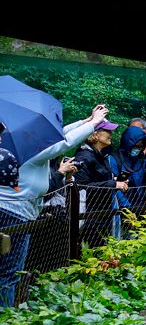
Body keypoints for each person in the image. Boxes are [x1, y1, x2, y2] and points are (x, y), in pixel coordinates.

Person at [0, 104, 109, 306]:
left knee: (8, 271)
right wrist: (94, 123)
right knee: (9, 273)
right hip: (15, 214)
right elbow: (63, 143)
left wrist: (84, 122)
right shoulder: (32, 151)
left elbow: (59, 137)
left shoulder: (14, 143)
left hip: (12, 210)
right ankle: (7, 320)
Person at [71, 121, 127, 244]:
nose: (111, 134)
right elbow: (81, 187)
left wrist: (116, 181)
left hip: (102, 213)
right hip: (89, 217)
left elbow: (98, 180)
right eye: (107, 131)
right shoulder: (84, 156)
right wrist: (113, 184)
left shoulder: (100, 155)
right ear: (95, 135)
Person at [108, 125, 146, 216]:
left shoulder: (141, 160)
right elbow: (116, 187)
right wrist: (128, 209)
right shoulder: (115, 159)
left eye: (140, 147)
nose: (137, 149)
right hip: (121, 208)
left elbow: (144, 182)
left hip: (141, 206)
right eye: (135, 146)